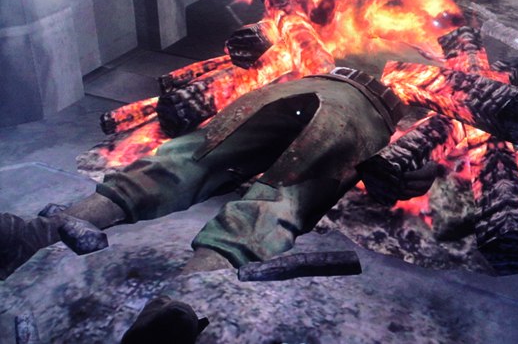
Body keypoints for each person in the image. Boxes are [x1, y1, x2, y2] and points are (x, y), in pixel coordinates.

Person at [0, 67, 409, 278]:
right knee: (279, 199)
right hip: (365, 113)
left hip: (297, 86)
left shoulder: (320, 35)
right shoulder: (420, 80)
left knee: (190, 158)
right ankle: (185, 299)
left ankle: (39, 233)